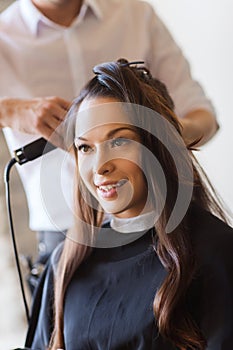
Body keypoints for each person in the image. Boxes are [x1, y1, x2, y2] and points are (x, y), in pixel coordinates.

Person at [25, 59, 233, 350]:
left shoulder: (215, 253)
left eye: (119, 141)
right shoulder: (65, 263)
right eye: (85, 147)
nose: (100, 167)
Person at [0, 0, 219, 263]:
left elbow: (203, 115)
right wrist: (9, 111)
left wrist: (160, 131)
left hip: (160, 223)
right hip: (62, 233)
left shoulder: (135, 15)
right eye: (85, 147)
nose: (100, 166)